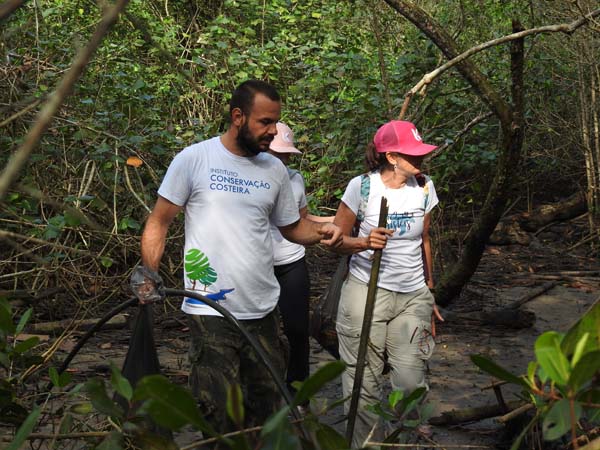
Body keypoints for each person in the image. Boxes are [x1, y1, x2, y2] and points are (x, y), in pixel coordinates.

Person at [130, 80, 343, 438]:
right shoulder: (194, 159)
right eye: (264, 122)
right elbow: (159, 221)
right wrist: (149, 272)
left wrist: (327, 234)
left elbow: (293, 228)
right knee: (218, 416)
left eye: (276, 122)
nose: (273, 131)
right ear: (237, 117)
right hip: (210, 310)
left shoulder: (274, 171)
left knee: (268, 413)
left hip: (261, 311)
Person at [334, 120, 444, 448]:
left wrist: (430, 291)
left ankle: (406, 442)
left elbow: (424, 239)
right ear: (392, 156)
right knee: (361, 382)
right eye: (414, 155)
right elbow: (337, 240)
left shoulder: (424, 187)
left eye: (422, 154)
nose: (421, 160)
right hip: (366, 291)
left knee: (411, 381)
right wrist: (366, 242)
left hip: (412, 295)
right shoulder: (362, 187)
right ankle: (367, 445)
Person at [267, 122, 332, 400]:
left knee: (297, 328)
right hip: (258, 266)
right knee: (262, 329)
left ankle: (298, 391)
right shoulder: (249, 177)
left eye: (286, 155)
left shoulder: (295, 179)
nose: (283, 160)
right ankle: (266, 386)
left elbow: (302, 218)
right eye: (277, 154)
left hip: (291, 261)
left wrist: (336, 221)